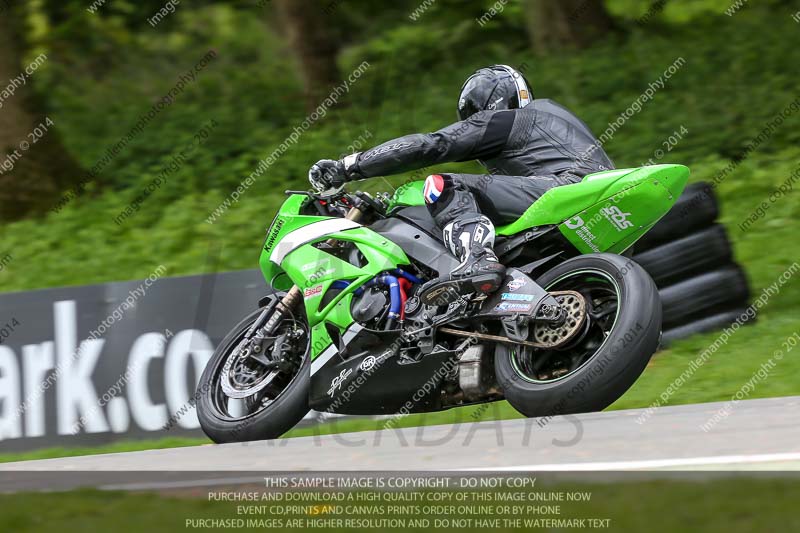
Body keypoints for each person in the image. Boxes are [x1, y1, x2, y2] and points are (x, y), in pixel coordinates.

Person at [308, 64, 614, 296]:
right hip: (594, 212)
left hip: (565, 189)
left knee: (445, 185)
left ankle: (478, 260)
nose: (472, 124)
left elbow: (431, 145)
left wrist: (350, 165)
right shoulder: (553, 125)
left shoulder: (512, 119)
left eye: (472, 118)